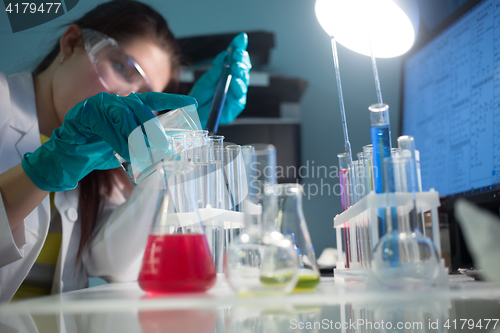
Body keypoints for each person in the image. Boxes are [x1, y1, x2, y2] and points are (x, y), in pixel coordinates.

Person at [0, 0, 251, 303]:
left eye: (143, 96)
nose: (125, 99)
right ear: (71, 43)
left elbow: (115, 264)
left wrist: (178, 136)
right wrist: (44, 168)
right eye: (122, 68)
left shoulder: (102, 162)